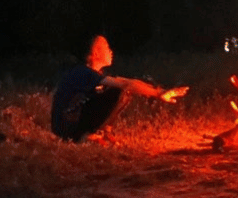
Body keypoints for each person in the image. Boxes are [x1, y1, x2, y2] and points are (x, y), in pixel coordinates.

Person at [51, 35, 189, 145]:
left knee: (123, 89)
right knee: (120, 90)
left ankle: (102, 132)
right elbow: (125, 84)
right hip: (66, 127)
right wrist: (158, 94)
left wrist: (159, 91)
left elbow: (128, 82)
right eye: (107, 47)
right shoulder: (84, 73)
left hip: (69, 124)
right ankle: (87, 136)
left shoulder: (93, 74)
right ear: (96, 53)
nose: (111, 51)